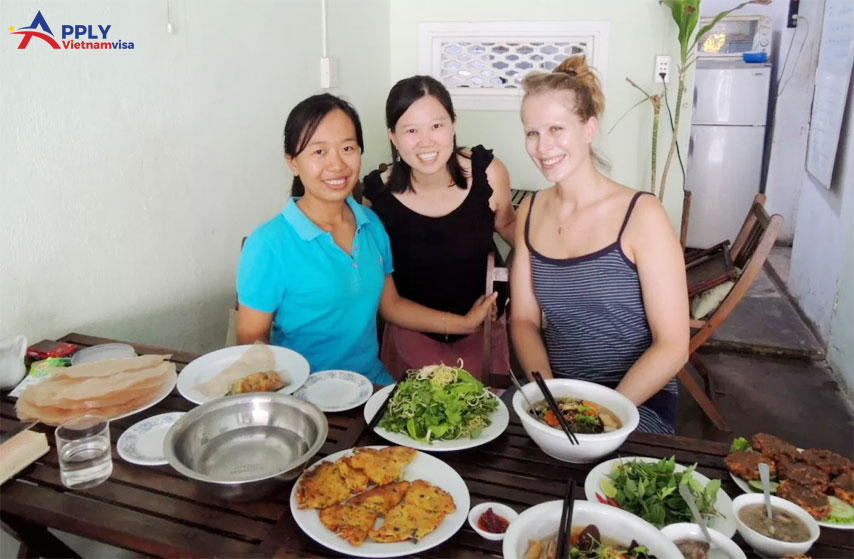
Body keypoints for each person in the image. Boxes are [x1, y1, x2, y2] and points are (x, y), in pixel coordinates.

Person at [236, 93, 496, 385]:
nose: (337, 165)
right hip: (303, 397)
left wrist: (463, 322)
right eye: (319, 152)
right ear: (293, 162)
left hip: (371, 388)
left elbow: (392, 306)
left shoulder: (370, 224)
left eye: (347, 148)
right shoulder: (268, 245)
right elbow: (252, 351)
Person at [510, 56, 689, 434]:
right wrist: (546, 396)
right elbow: (524, 320)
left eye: (557, 128)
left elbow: (673, 344)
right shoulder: (530, 210)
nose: (543, 147)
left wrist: (604, 415)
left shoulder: (643, 215)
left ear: (589, 129)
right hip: (556, 396)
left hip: (634, 401)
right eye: (532, 132)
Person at [362, 76, 516, 381]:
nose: (426, 141)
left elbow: (510, 228)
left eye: (436, 126)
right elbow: (385, 298)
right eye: (410, 130)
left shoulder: (489, 174)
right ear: (393, 136)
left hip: (483, 337)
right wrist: (461, 322)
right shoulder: (376, 199)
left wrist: (509, 296)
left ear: (454, 125)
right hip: (411, 340)